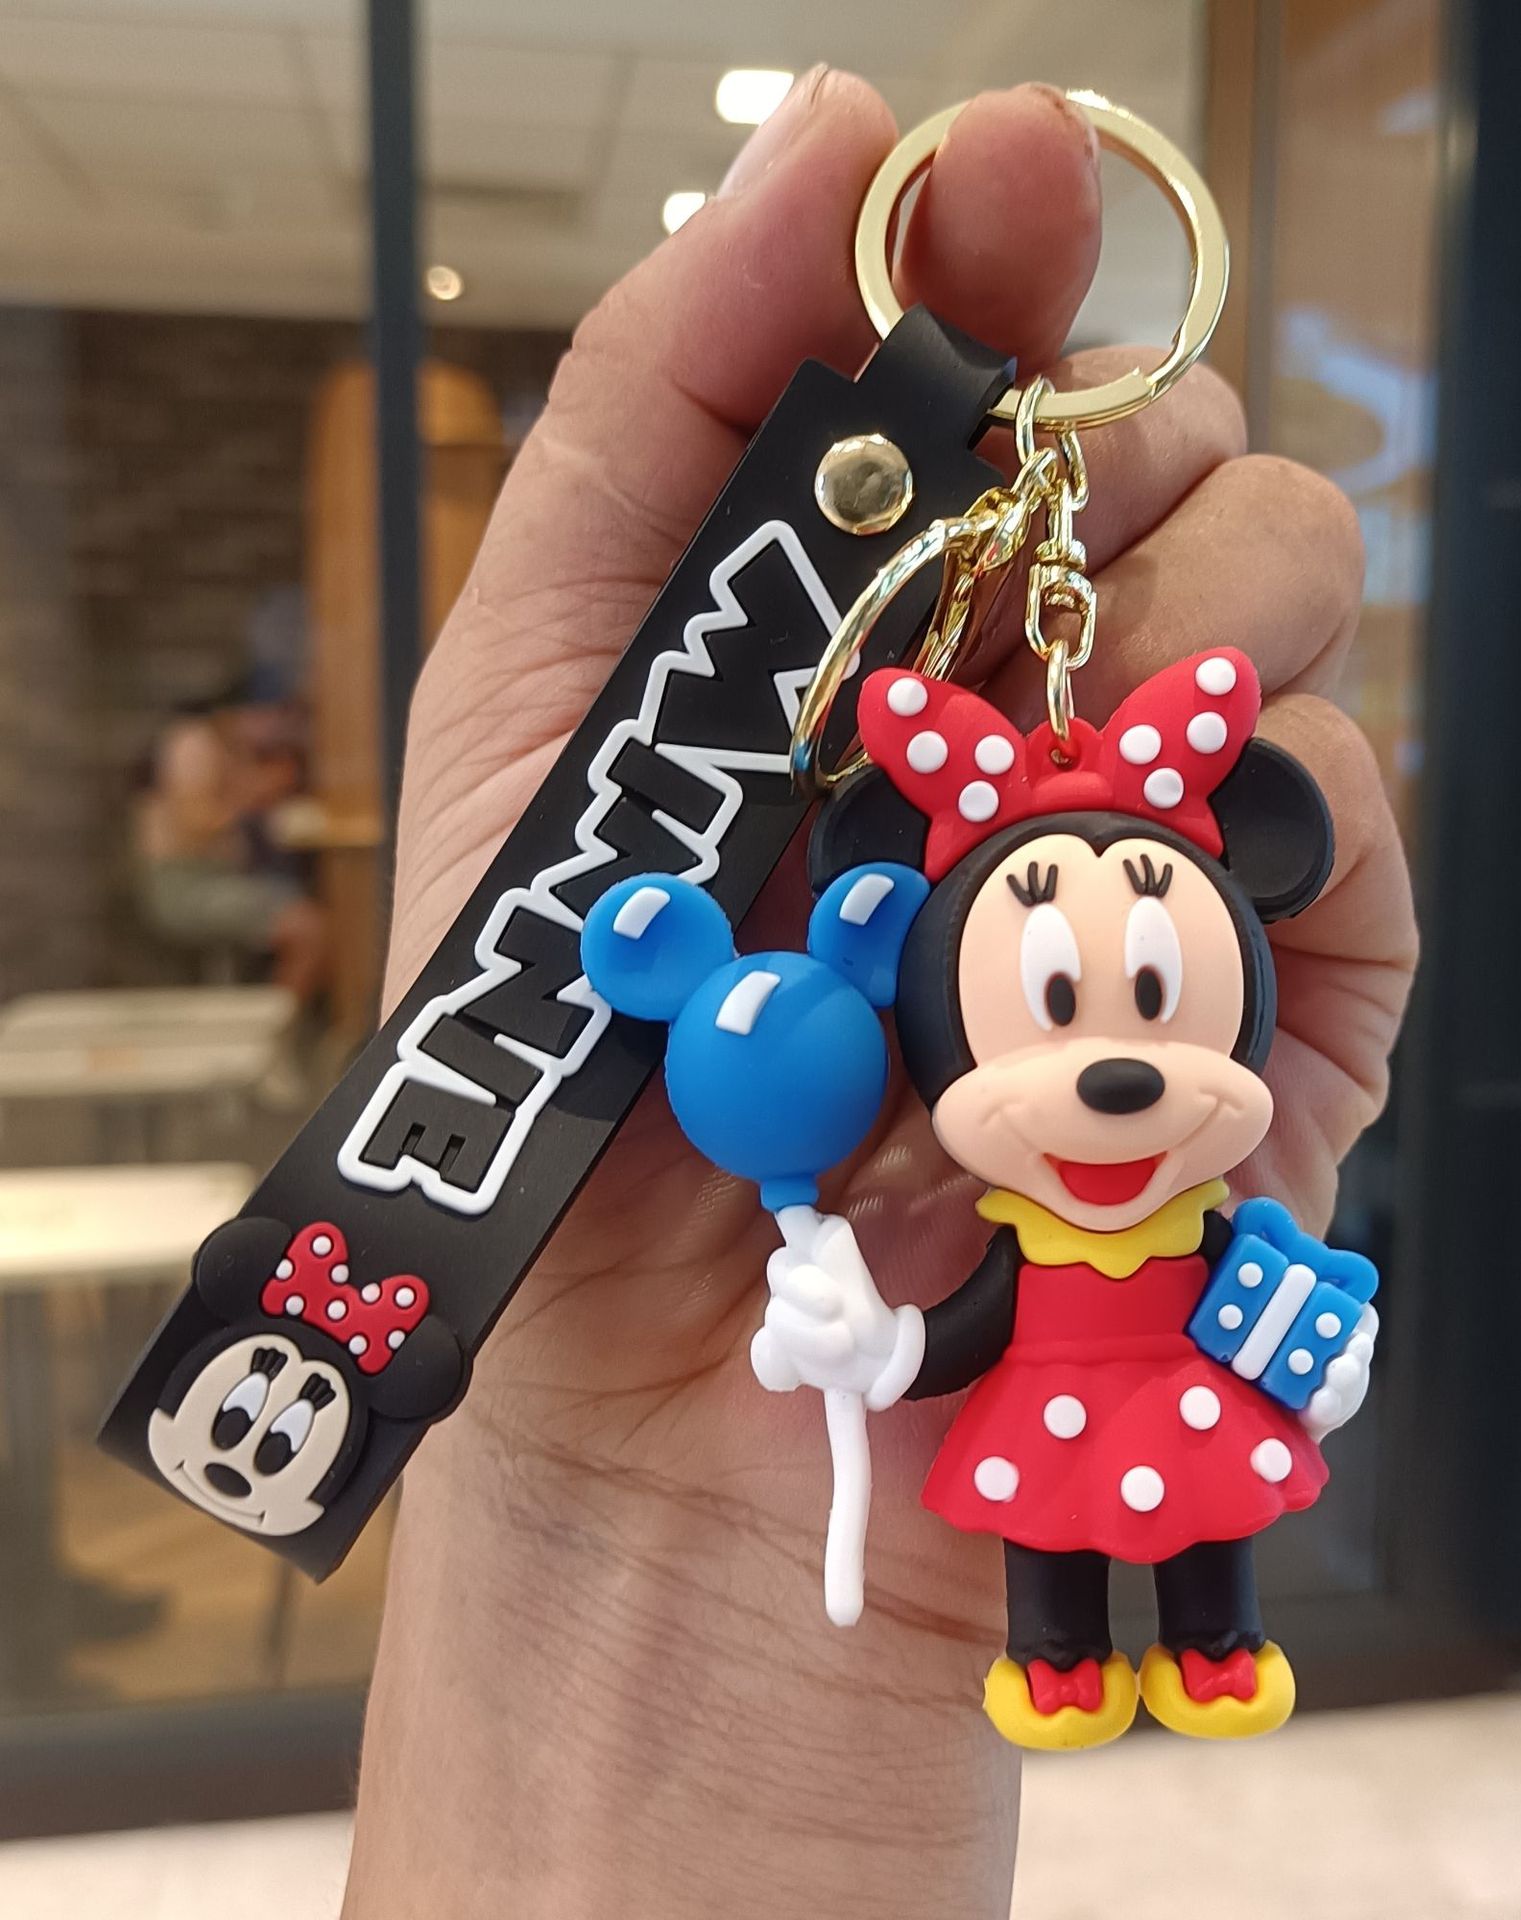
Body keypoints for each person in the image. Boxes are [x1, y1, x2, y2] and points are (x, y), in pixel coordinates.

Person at [344, 76, 1416, 1918]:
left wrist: (1315, 1342)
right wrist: (872, 1348)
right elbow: (959, 1332)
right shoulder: (1008, 1223)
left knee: (1210, 1508)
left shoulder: (1205, 1222)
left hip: (1166, 1394)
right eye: (1053, 1006)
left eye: (1156, 999)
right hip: (1029, 1410)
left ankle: (1211, 1638)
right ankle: (1064, 1656)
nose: (1111, 1077)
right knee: (1049, 1549)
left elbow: (1269, 1321)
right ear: (918, 977)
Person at [134, 689, 328, 999]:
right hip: (188, 886)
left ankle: (281, 1014)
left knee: (310, 905)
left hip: (220, 876)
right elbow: (196, 822)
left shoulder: (227, 746)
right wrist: (254, 796)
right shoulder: (192, 742)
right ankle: (276, 1023)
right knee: (309, 930)